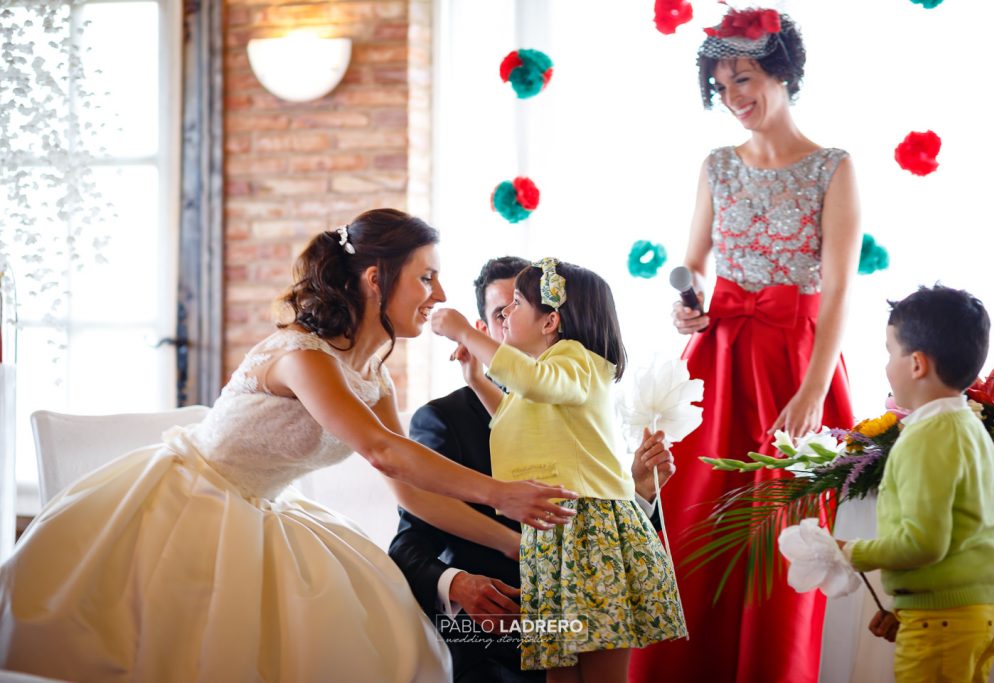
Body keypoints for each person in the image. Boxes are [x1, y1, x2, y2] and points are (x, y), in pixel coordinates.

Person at [0, 208, 580, 683]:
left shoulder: (373, 375)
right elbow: (381, 450)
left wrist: (513, 546)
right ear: (376, 278)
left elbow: (411, 491)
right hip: (185, 508)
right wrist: (501, 493)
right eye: (425, 276)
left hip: (265, 512)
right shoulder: (302, 356)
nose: (440, 293)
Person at [630, 8, 861, 683]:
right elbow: (695, 259)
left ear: (782, 72)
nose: (735, 97)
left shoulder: (834, 167)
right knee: (693, 520)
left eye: (746, 78)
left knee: (784, 537)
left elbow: (841, 288)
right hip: (719, 361)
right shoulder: (717, 166)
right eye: (723, 84)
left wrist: (814, 389)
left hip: (796, 362)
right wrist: (687, 301)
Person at [389, 256, 678, 683]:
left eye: (516, 304)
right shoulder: (537, 383)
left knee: (599, 666)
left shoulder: (578, 361)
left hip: (588, 538)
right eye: (498, 312)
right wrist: (475, 377)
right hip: (554, 540)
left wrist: (465, 332)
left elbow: (534, 383)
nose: (506, 315)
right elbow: (513, 415)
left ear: (550, 321)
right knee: (558, 670)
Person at [838, 285, 994, 682]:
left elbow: (924, 543)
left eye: (888, 351)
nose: (885, 366)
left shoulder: (926, 435)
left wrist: (851, 552)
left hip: (942, 623)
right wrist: (908, 609)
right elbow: (967, 533)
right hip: (976, 614)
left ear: (916, 364)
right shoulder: (970, 427)